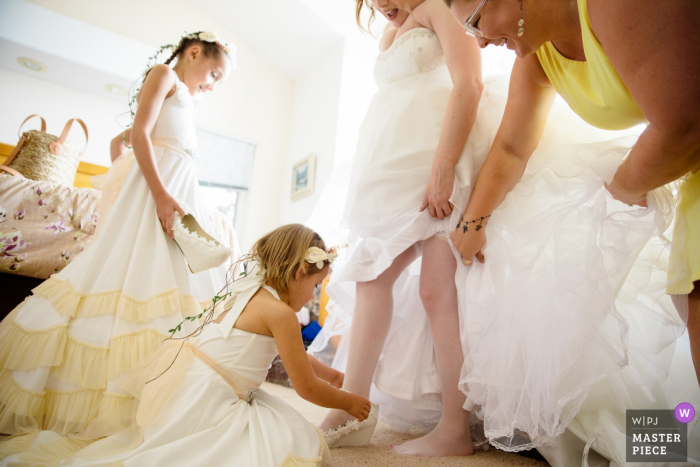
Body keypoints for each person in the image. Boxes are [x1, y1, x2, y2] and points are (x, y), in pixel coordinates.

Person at [442, 0, 700, 464]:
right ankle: (673, 448)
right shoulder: (539, 56)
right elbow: (512, 146)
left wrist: (619, 192)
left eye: (476, 22)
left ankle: (677, 448)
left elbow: (684, 125)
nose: (478, 40)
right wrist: (471, 224)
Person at [0, 31, 235, 440]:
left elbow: (125, 141)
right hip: (159, 194)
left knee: (174, 278)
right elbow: (139, 134)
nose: (211, 85)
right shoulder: (165, 75)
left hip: (177, 191)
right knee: (136, 271)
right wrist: (157, 194)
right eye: (213, 73)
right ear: (194, 53)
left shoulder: (185, 100)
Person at [0, 224, 373, 467]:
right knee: (288, 440)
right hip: (210, 400)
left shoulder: (247, 294)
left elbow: (293, 354)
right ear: (297, 273)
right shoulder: (282, 315)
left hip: (184, 386)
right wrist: (349, 402)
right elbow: (305, 387)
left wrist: (333, 374)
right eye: (316, 286)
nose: (313, 294)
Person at [310, 0, 500, 457]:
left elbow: (469, 83)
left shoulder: (439, 8)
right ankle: (353, 409)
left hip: (433, 162)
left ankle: (454, 429)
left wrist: (443, 168)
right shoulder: (387, 35)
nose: (380, 5)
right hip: (389, 168)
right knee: (373, 280)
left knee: (437, 291)